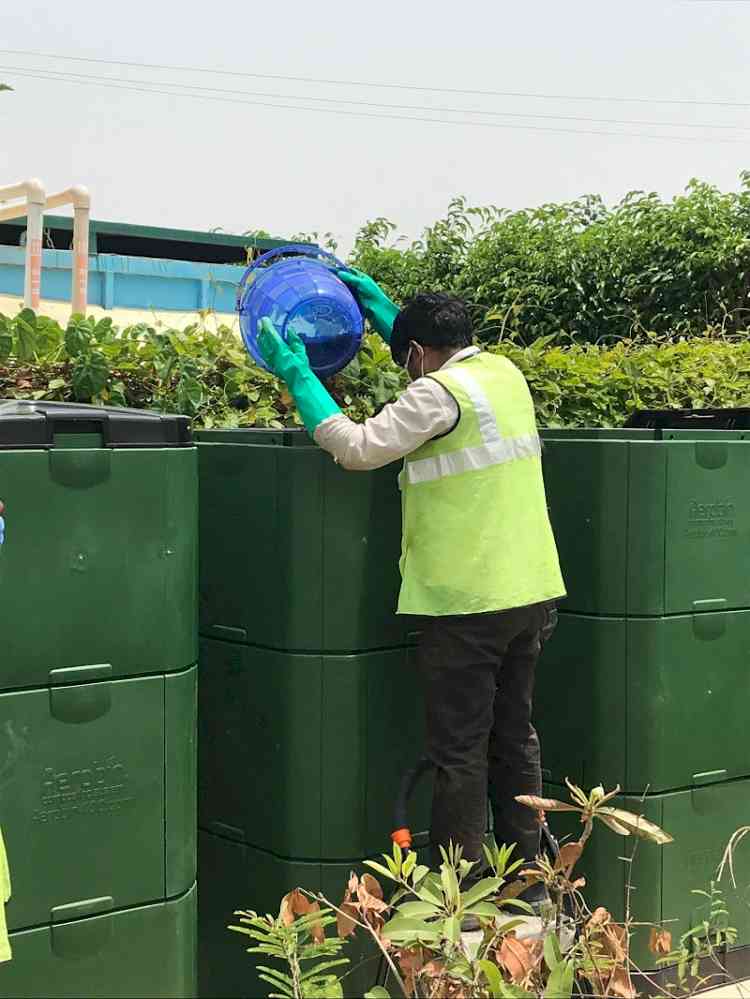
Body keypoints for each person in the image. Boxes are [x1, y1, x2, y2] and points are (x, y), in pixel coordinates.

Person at [258, 271, 565, 892]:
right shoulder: (503, 374)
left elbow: (358, 448)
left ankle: (461, 894)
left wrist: (299, 377)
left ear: (420, 354)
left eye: (408, 356)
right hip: (532, 594)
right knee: (516, 737)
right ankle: (526, 879)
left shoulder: (434, 394)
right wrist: (385, 315)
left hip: (466, 605)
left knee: (460, 753)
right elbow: (437, 361)